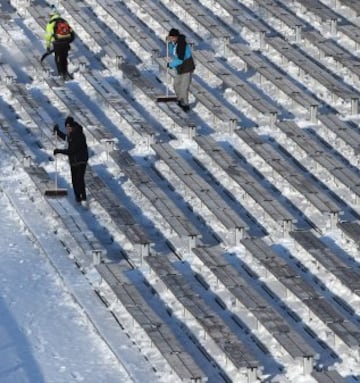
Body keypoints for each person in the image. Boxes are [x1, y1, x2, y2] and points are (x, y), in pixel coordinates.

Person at [53, 116, 88, 203]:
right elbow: (66, 138)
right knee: (74, 180)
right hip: (73, 161)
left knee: (79, 179)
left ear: (72, 126)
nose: (67, 129)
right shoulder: (71, 134)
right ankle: (77, 198)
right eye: (66, 128)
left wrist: (59, 151)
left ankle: (83, 197)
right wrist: (58, 131)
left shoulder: (79, 134)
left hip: (81, 160)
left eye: (68, 127)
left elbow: (72, 151)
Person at [167, 28, 195, 112]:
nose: (171, 38)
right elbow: (173, 52)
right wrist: (169, 44)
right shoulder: (174, 43)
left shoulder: (181, 45)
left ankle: (185, 104)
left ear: (176, 37)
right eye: (170, 37)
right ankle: (180, 100)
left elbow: (180, 60)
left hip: (186, 67)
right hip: (180, 67)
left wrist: (170, 65)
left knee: (184, 87)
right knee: (176, 84)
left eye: (172, 37)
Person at [44, 5, 75, 80]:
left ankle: (61, 74)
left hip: (57, 43)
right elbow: (72, 33)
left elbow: (48, 36)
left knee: (58, 58)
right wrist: (68, 41)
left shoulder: (51, 23)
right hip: (66, 43)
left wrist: (48, 46)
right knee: (64, 58)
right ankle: (65, 71)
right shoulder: (64, 21)